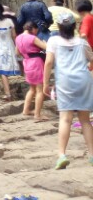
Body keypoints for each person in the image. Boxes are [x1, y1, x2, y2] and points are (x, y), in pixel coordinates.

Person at [42, 11, 93, 169]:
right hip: (83, 80)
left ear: (58, 26)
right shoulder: (81, 42)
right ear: (74, 26)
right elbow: (91, 59)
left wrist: (45, 83)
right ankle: (92, 155)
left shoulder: (53, 41)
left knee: (65, 119)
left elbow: (49, 62)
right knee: (85, 120)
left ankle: (62, 155)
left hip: (65, 81)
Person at [15, 21, 49, 122]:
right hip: (36, 63)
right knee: (40, 90)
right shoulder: (32, 38)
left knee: (32, 89)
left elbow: (17, 52)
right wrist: (45, 43)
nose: (36, 32)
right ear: (32, 28)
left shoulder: (18, 38)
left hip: (27, 62)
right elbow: (46, 47)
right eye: (36, 30)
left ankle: (26, 110)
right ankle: (37, 115)